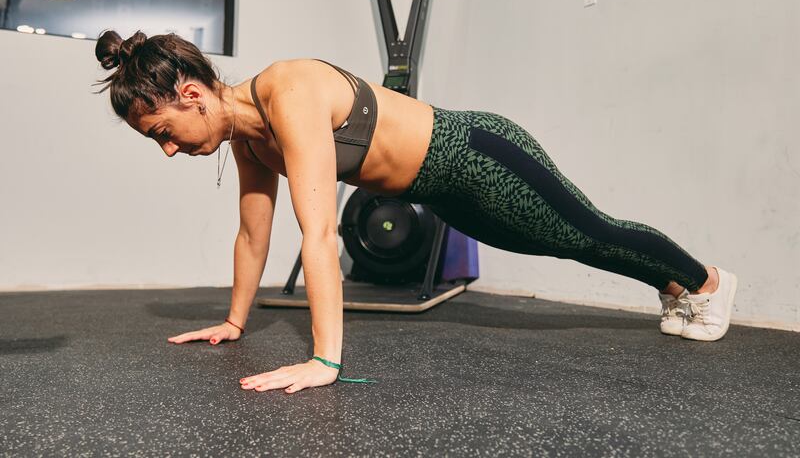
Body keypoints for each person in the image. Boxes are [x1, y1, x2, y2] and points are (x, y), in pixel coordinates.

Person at [93, 30, 738, 394]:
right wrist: (235, 322)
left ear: (191, 93)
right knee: (563, 242)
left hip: (477, 153)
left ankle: (706, 283)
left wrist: (325, 360)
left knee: (584, 232)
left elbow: (316, 233)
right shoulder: (249, 139)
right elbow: (251, 234)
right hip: (446, 189)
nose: (170, 149)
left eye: (164, 132)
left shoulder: (288, 91)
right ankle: (676, 288)